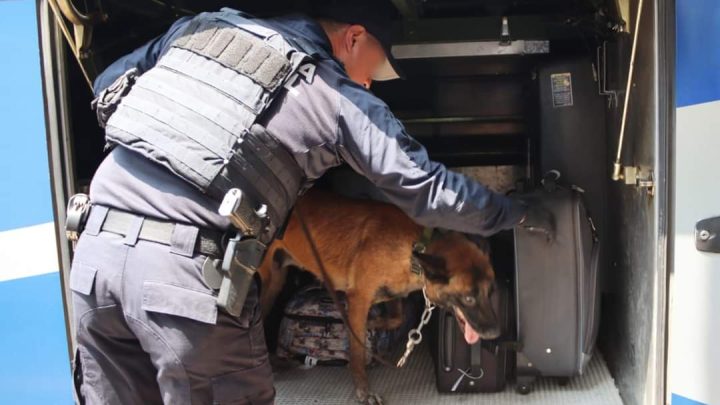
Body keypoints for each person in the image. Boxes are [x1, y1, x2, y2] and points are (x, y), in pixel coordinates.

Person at [69, 1, 552, 404]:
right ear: (354, 38)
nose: (368, 84)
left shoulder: (203, 28)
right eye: (375, 72)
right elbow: (427, 188)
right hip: (182, 280)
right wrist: (517, 212)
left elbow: (107, 83)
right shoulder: (328, 90)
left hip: (95, 259)